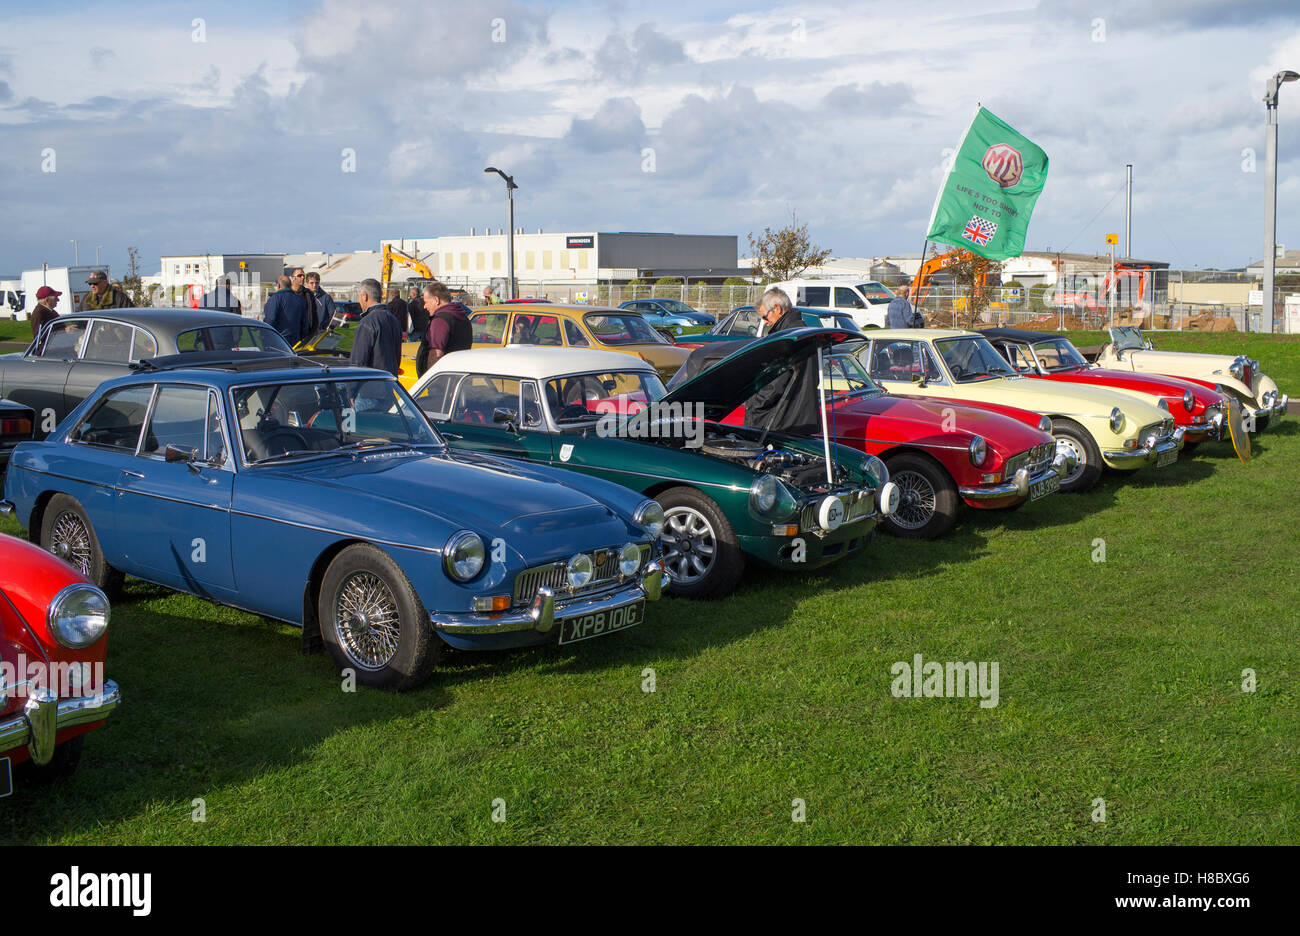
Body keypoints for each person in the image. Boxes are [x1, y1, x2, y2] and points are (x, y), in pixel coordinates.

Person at [744, 288, 822, 433]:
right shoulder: (807, 333)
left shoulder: (784, 339)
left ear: (777, 309)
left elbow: (774, 386)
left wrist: (752, 404)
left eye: (765, 317)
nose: (765, 323)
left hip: (779, 422)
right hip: (805, 420)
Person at [417, 281, 472, 374]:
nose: (425, 306)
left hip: (444, 381)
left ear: (436, 300)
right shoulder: (462, 316)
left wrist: (432, 382)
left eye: (426, 302)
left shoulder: (440, 321)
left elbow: (436, 354)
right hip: (459, 374)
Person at [350, 278, 402, 376]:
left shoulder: (367, 322)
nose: (359, 301)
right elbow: (397, 358)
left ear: (364, 296)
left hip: (371, 384)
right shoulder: (394, 320)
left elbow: (358, 363)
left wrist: (351, 389)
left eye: (359, 297)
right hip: (388, 382)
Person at [262, 275, 310, 344]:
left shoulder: (275, 298)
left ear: (278, 285)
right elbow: (305, 323)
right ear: (290, 285)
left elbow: (270, 320)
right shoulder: (299, 299)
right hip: (295, 341)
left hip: (278, 341)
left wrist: (264, 335)